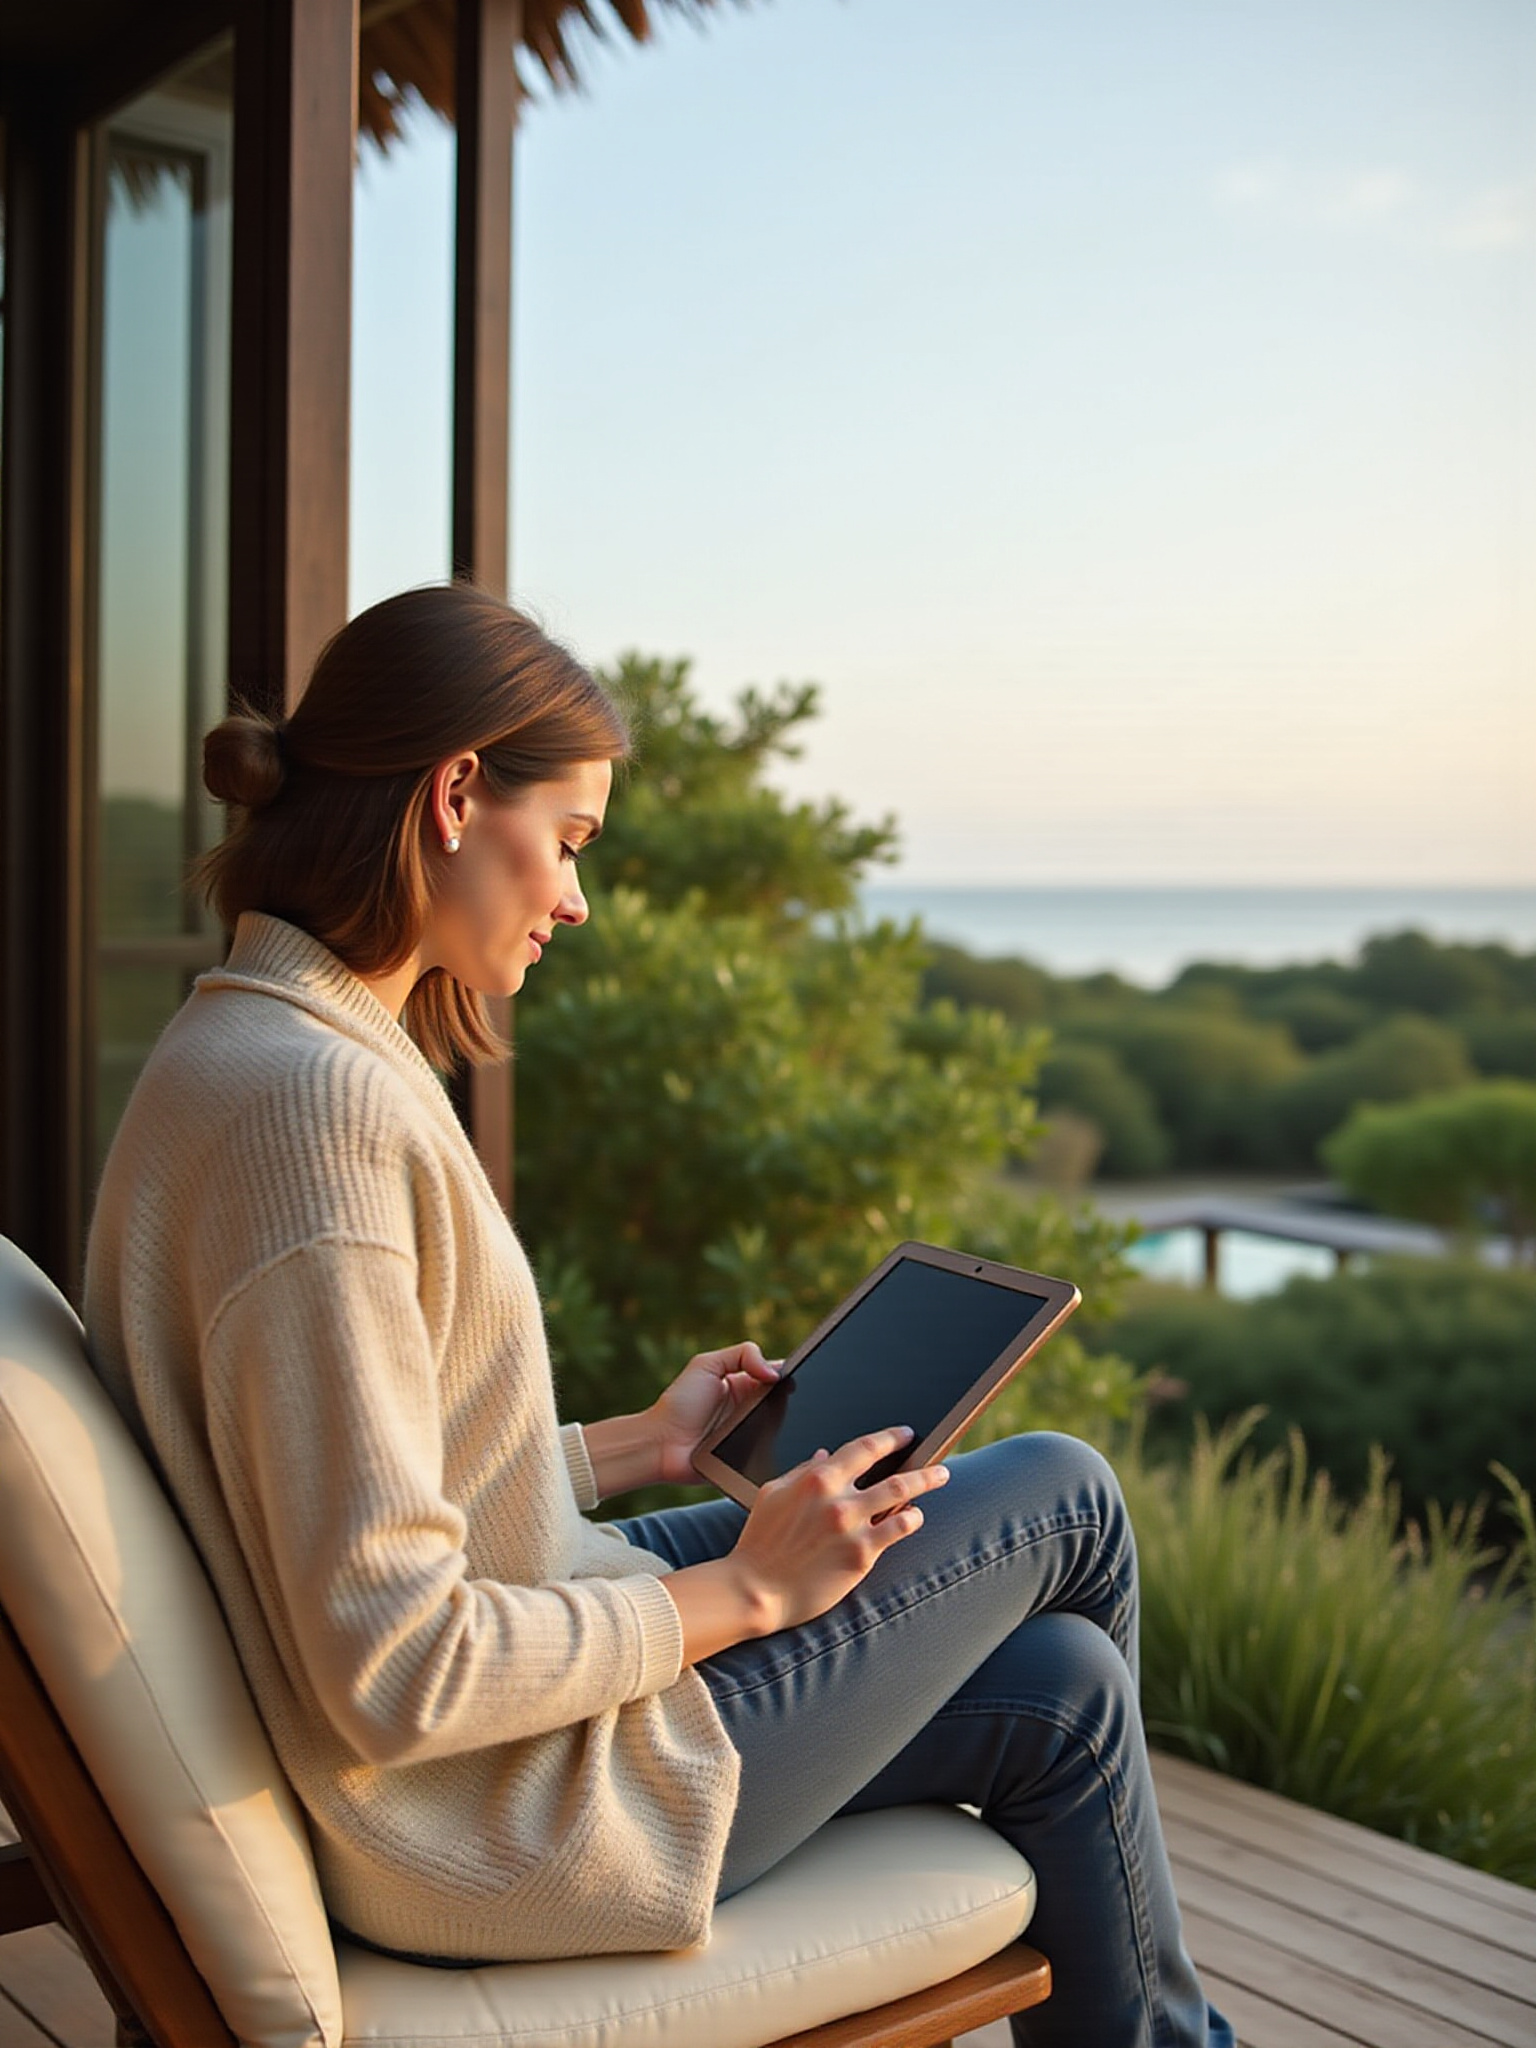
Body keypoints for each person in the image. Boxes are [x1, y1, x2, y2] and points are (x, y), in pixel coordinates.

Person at [84, 583, 1233, 2048]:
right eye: (566, 844)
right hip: (491, 1811)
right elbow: (395, 1665)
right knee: (1065, 1497)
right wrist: (749, 1595)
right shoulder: (317, 1116)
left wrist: (639, 1445)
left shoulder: (245, 1044)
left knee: (1065, 1685)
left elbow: (336, 1488)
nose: (575, 898)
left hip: (503, 1712)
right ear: (452, 795)